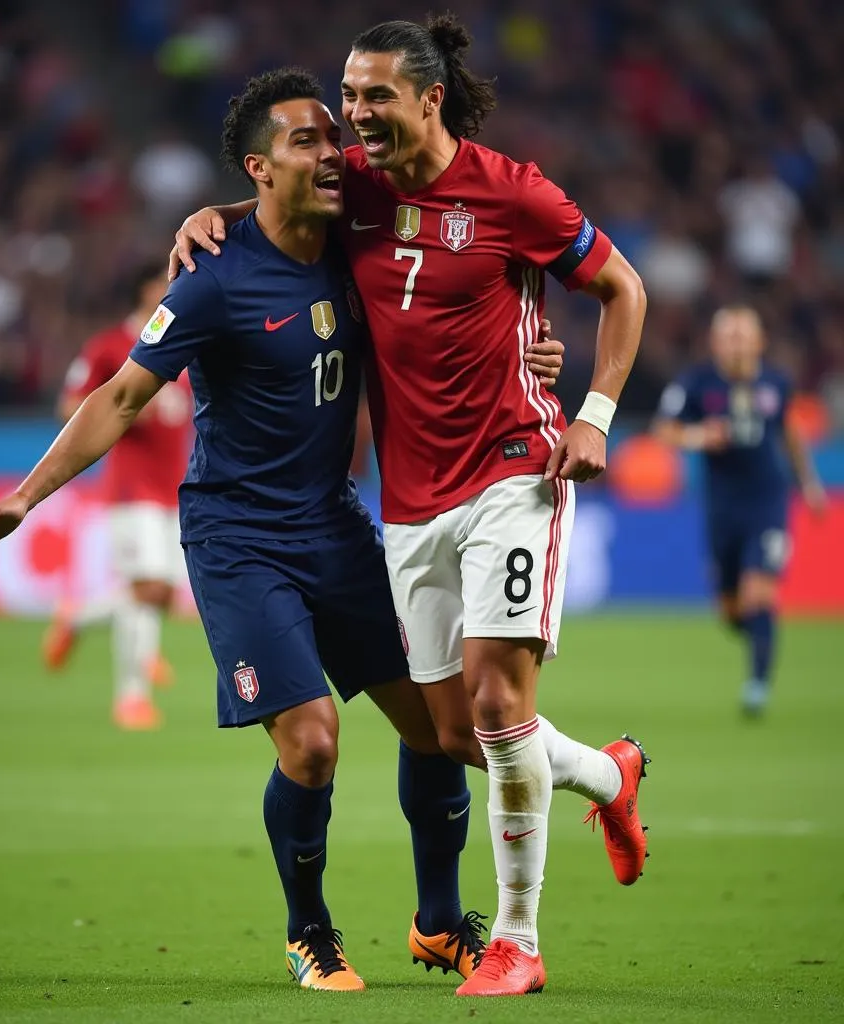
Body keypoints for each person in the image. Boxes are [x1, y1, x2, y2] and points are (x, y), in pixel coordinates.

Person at [0, 68, 567, 994]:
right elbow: (119, 397)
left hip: (338, 523)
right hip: (239, 538)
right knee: (311, 741)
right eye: (307, 142)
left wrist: (531, 351)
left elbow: (452, 310)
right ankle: (309, 929)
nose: (333, 154)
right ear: (260, 170)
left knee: (437, 730)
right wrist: (20, 499)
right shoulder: (210, 280)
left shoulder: (360, 243)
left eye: (331, 137)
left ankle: (439, 923)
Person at [170, 15, 650, 998]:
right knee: (445, 735)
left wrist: (594, 414)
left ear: (428, 98)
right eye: (347, 100)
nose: (353, 117)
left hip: (516, 467)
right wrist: (210, 213)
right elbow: (282, 192)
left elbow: (622, 287)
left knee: (493, 700)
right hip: (407, 502)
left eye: (373, 97)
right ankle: (606, 776)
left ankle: (513, 937)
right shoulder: (361, 187)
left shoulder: (514, 193)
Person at [43, 262, 194, 730]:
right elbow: (69, 407)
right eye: (165, 283)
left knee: (162, 593)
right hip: (132, 488)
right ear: (144, 290)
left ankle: (78, 617)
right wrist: (126, 411)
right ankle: (131, 696)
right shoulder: (109, 347)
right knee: (147, 587)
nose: (173, 289)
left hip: (175, 488)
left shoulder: (185, 340)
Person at [655, 305, 825, 715]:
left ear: (759, 341)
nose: (735, 343)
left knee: (758, 594)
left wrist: (809, 483)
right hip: (722, 507)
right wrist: (698, 435)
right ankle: (762, 636)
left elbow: (788, 434)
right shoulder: (696, 384)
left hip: (767, 501)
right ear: (714, 342)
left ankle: (758, 685)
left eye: (742, 334)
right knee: (731, 611)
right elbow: (664, 430)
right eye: (728, 335)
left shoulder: (776, 383)